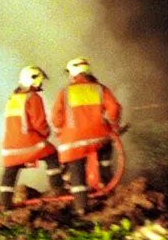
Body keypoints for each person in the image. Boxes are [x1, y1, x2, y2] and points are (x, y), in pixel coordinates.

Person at [50, 57, 122, 216]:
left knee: (76, 171)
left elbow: (56, 118)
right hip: (99, 137)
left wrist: (60, 133)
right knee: (105, 158)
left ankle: (81, 207)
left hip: (73, 140)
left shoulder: (65, 92)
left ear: (72, 74)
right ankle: (108, 192)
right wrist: (113, 127)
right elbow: (114, 109)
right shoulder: (100, 89)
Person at [0, 66, 64, 210]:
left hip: (9, 145)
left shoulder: (12, 98)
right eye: (40, 81)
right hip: (28, 142)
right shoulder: (33, 98)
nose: (41, 84)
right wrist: (46, 133)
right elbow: (39, 123)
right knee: (52, 155)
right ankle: (58, 190)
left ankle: (5, 203)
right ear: (35, 80)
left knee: (10, 171)